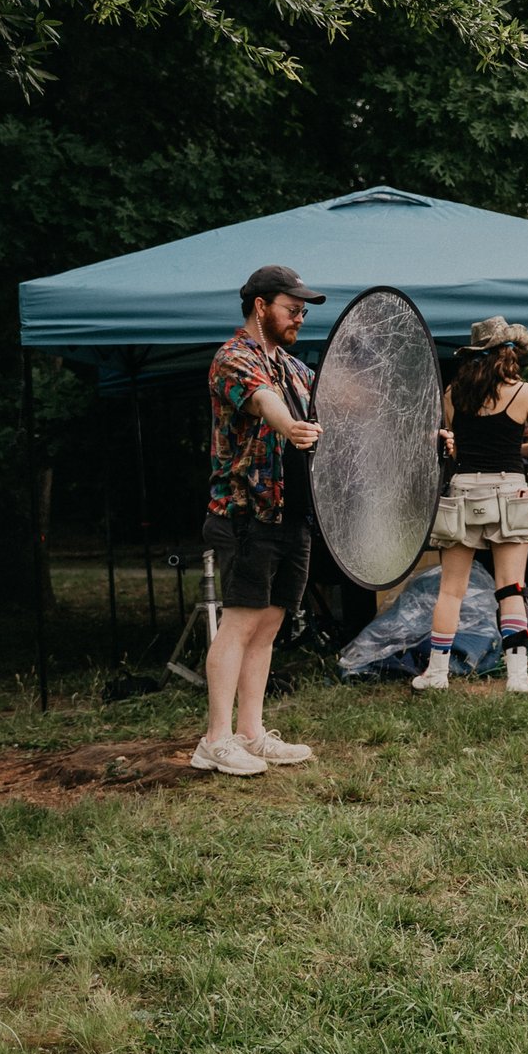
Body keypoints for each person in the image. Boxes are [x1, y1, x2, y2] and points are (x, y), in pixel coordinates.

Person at [195, 266, 327, 776]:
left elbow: (346, 407)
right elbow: (262, 400)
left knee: (269, 624)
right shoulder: (233, 359)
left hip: (293, 512)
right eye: (292, 309)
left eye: (303, 311)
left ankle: (250, 733)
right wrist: (289, 424)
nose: (299, 318)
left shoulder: (294, 367)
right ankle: (215, 739)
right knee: (241, 622)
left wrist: (426, 433)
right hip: (246, 512)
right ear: (260, 306)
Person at [410, 316, 528, 698]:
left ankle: (437, 672)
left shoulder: (452, 393)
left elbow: (455, 449)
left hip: (462, 491)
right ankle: (518, 677)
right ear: (508, 353)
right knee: (511, 586)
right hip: (510, 492)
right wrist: (515, 450)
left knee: (451, 590)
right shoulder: (525, 393)